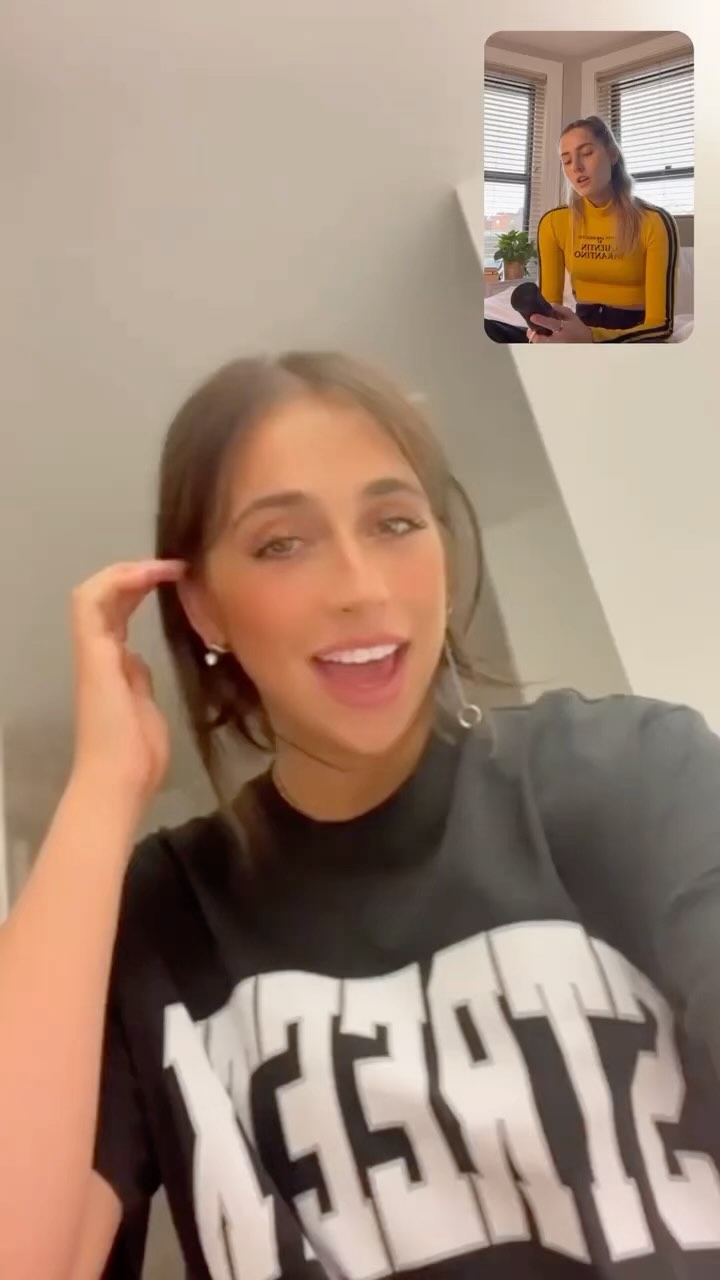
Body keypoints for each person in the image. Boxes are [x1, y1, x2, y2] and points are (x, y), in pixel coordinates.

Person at [1, 351, 720, 1280]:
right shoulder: (155, 919)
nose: (361, 586)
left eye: (394, 523)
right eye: (281, 544)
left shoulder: (627, 772)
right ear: (204, 607)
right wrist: (103, 784)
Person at [485, 115, 679, 345]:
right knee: (483, 329)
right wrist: (544, 331)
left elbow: (661, 326)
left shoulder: (654, 222)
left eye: (586, 153)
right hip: (576, 329)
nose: (576, 167)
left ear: (612, 155)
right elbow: (550, 306)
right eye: (566, 161)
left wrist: (590, 338)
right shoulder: (554, 222)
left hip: (631, 338)